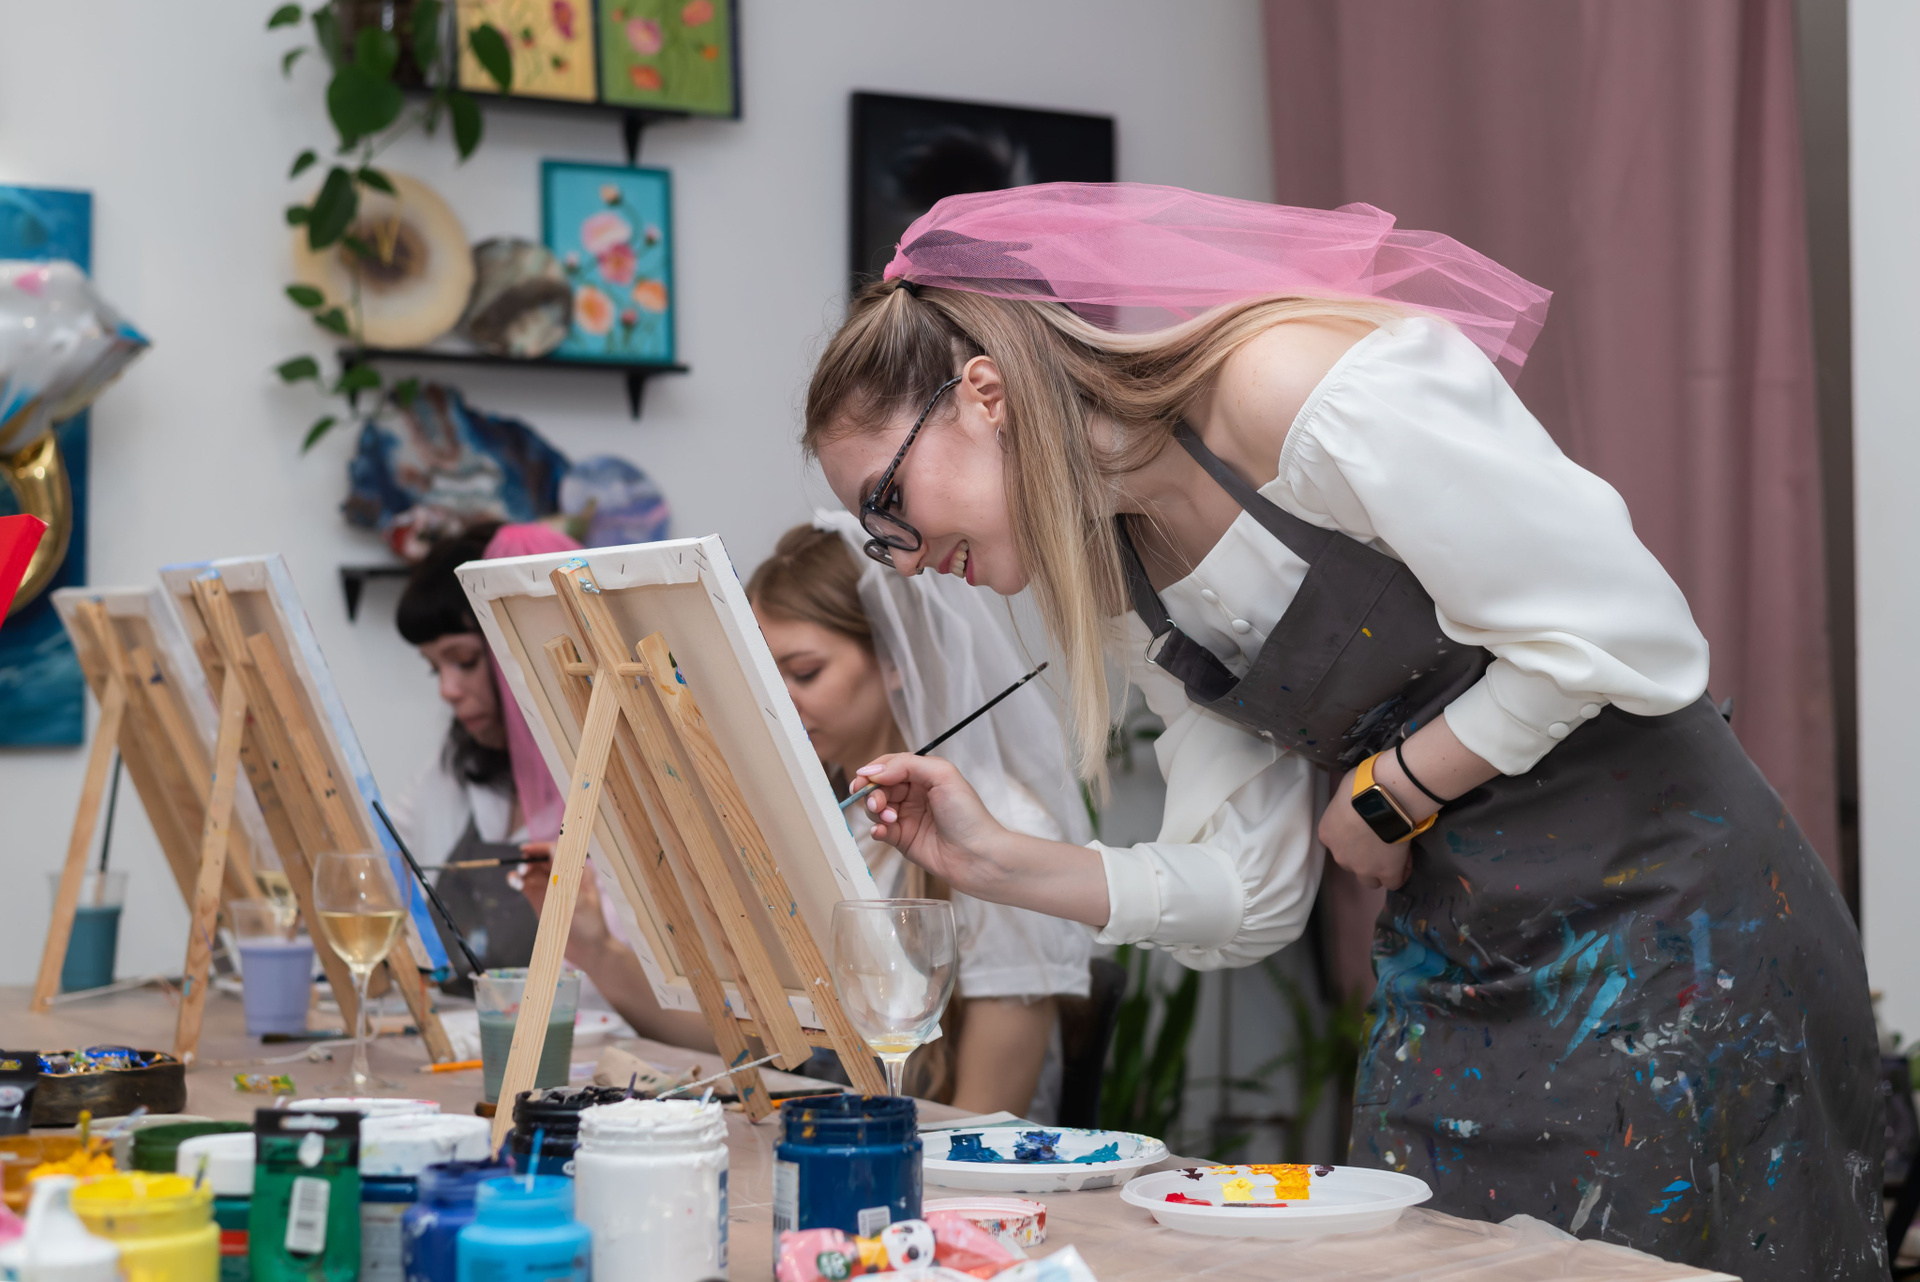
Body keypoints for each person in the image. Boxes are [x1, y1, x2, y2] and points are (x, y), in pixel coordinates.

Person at [802, 183, 1884, 1278]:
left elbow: (1624, 631)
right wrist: (999, 862)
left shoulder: (1292, 389)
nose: (903, 558)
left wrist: (1393, 789)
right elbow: (1251, 892)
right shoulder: (1124, 574)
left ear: (984, 395)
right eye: (876, 539)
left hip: (1672, 923)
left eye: (889, 504)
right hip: (1463, 969)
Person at [748, 516, 1092, 1118]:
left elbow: (989, 1111)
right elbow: (745, 1044)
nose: (777, 701)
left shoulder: (1004, 826)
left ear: (893, 654)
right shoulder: (828, 812)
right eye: (761, 674)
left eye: (804, 673)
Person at [390, 521, 712, 1051]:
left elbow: (706, 1024)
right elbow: (377, 861)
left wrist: (597, 950)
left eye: (465, 661)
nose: (448, 690)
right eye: (434, 670)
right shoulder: (455, 772)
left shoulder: (640, 795)